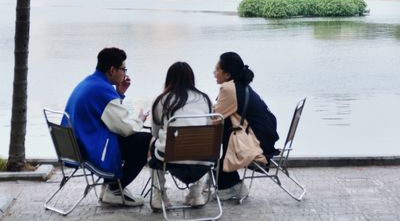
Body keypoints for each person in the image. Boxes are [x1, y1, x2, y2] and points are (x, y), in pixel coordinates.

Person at [64, 47, 150, 206]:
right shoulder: (102, 91)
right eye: (123, 69)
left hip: (79, 146)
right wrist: (140, 120)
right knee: (145, 140)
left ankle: (111, 185)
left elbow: (109, 117)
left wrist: (119, 93)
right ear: (112, 70)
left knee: (130, 138)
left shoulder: (91, 82)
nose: (125, 73)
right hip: (91, 150)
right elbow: (125, 128)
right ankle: (115, 189)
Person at [213, 51, 279, 202]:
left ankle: (229, 185)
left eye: (217, 70)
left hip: (256, 143)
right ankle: (229, 184)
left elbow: (215, 117)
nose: (214, 73)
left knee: (222, 129)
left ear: (227, 74)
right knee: (227, 126)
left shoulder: (229, 89)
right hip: (265, 137)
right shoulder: (240, 85)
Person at [149, 61, 214, 211]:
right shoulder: (205, 99)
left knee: (151, 142)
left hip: (171, 157)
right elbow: (209, 127)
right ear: (191, 79)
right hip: (204, 159)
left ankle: (160, 196)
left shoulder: (161, 100)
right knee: (202, 143)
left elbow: (155, 132)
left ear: (169, 79)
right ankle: (196, 194)